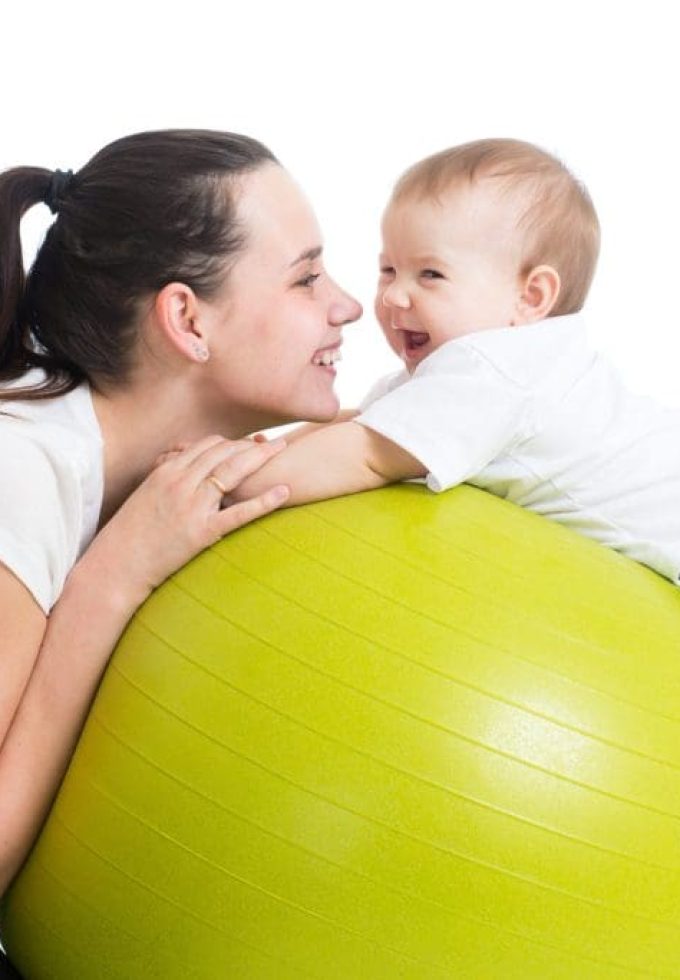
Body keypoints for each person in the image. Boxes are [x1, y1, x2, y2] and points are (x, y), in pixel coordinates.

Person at [0, 129, 362, 900]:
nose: (349, 305)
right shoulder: (19, 474)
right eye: (306, 279)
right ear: (189, 322)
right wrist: (107, 586)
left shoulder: (134, 469)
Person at [233, 137, 680, 586]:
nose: (393, 295)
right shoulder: (486, 373)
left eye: (430, 274)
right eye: (388, 269)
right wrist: (241, 455)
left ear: (532, 296)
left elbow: (364, 455)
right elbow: (362, 425)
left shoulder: (493, 373)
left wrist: (225, 488)